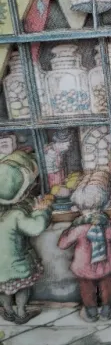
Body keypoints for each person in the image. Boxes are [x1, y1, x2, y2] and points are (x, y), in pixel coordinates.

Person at [58, 171, 111, 322]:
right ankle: (107, 309)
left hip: (84, 266)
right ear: (105, 204)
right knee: (108, 287)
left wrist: (68, 230)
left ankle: (91, 310)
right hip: (106, 264)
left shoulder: (78, 228)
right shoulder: (109, 226)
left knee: (86, 289)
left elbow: (62, 244)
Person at [0, 135, 54, 324]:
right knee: (22, 287)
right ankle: (22, 312)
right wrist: (42, 210)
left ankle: (7, 310)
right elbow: (36, 227)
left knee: (3, 289)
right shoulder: (15, 215)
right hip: (17, 265)